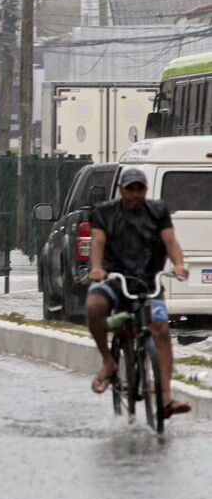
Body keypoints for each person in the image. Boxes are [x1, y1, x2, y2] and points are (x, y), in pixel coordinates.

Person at [86, 167, 190, 417]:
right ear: (121, 190)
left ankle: (165, 399)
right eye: (129, 189)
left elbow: (170, 241)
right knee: (94, 307)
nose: (134, 194)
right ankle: (108, 362)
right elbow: (98, 242)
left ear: (145, 190)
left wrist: (178, 264)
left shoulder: (158, 211)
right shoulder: (104, 212)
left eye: (139, 189)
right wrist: (97, 268)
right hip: (113, 279)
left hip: (148, 282)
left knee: (161, 329)